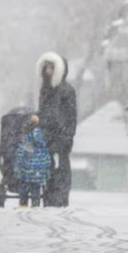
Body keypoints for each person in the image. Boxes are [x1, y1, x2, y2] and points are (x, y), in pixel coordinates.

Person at [36, 51, 77, 207]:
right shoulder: (45, 89)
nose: (48, 71)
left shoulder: (67, 90)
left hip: (61, 136)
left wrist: (68, 135)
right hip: (47, 136)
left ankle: (61, 197)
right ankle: (49, 196)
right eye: (46, 67)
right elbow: (43, 112)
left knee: (62, 167)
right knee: (48, 167)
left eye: (51, 67)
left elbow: (71, 116)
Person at [13, 114, 51, 207]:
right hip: (38, 171)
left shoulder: (28, 139)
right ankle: (35, 204)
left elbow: (21, 153)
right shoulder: (42, 141)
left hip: (27, 169)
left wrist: (18, 166)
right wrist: (46, 170)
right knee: (36, 188)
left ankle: (23, 204)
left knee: (24, 188)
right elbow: (47, 158)